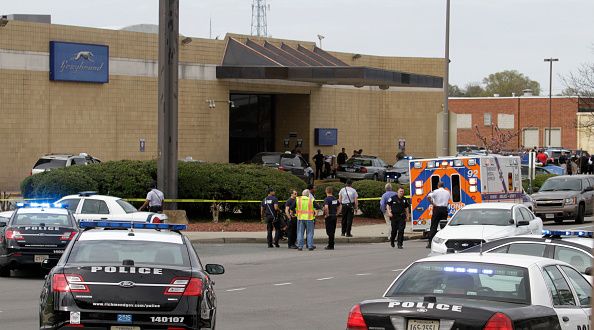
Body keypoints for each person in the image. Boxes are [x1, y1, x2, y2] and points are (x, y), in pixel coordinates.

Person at [426, 181, 450, 249]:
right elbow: (448, 200)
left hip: (437, 209)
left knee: (433, 226)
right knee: (443, 227)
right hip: (444, 209)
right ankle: (444, 243)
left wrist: (433, 203)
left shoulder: (435, 191)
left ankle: (430, 243)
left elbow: (428, 197)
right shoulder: (447, 192)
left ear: (438, 186)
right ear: (443, 186)